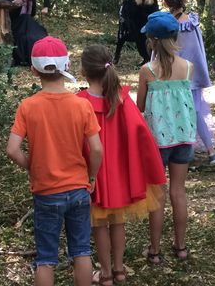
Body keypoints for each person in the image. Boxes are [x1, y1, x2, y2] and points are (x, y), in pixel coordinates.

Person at [6, 36, 103, 286]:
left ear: (33, 70)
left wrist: (33, 165)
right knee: (81, 251)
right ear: (67, 66)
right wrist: (90, 176)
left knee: (46, 257)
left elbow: (12, 149)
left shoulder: (28, 106)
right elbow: (96, 149)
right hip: (78, 188)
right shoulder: (81, 106)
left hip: (46, 192)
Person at [77, 45, 166, 285]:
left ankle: (105, 273)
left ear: (84, 71)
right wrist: (147, 165)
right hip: (119, 174)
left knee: (99, 225)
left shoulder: (79, 102)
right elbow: (141, 133)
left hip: (93, 173)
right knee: (118, 222)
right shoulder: (122, 99)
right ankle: (119, 270)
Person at [136, 11, 197, 263]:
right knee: (178, 192)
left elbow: (140, 106)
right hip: (184, 138)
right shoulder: (187, 68)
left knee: (158, 195)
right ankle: (181, 247)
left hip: (157, 142)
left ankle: (155, 250)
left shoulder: (147, 71)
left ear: (151, 40)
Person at [161, 0, 215, 166]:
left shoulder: (162, 23)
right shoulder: (191, 24)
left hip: (166, 77)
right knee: (194, 111)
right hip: (189, 77)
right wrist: (200, 75)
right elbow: (197, 52)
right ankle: (211, 152)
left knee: (169, 111)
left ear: (165, 2)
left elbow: (157, 51)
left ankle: (173, 151)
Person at [113, 0, 159, 65]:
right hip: (131, 25)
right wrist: (127, 25)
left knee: (145, 41)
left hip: (145, 25)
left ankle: (147, 59)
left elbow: (155, 13)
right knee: (122, 38)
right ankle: (116, 55)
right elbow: (125, 13)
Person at [4, 0, 51, 66]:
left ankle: (41, 58)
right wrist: (12, 3)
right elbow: (3, 4)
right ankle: (22, 59)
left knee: (39, 35)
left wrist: (46, 6)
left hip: (28, 23)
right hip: (17, 24)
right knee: (23, 37)